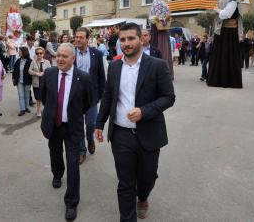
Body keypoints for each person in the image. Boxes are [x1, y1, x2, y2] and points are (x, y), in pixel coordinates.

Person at [95, 23, 175, 221]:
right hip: (121, 134)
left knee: (147, 178)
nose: (126, 43)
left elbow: (168, 97)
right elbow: (107, 96)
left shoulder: (157, 65)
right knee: (125, 182)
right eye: (122, 39)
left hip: (149, 132)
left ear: (141, 39)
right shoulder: (114, 66)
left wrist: (144, 111)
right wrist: (99, 123)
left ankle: (143, 197)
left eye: (131, 38)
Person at [40, 43, 92, 222]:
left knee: (73, 164)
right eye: (58, 56)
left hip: (73, 128)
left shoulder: (83, 78)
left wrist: (74, 114)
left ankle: (71, 202)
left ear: (73, 58)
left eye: (64, 56)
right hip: (54, 126)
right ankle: (57, 174)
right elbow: (45, 98)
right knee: (55, 154)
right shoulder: (49, 74)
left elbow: (87, 102)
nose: (60, 59)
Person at [74, 27, 105, 164]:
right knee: (78, 125)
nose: (78, 39)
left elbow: (101, 76)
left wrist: (102, 95)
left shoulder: (96, 54)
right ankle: (81, 150)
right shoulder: (71, 53)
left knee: (91, 123)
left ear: (87, 39)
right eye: (77, 37)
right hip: (75, 96)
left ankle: (90, 139)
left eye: (81, 37)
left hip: (92, 95)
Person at [207, 0, 244, 88]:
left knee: (227, 56)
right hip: (222, 31)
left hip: (229, 33)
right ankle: (218, 80)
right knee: (221, 56)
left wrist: (217, 9)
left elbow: (226, 14)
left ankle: (227, 81)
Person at [149, 0, 174, 78]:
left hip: (162, 27)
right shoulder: (158, 2)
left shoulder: (159, 1)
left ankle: (163, 72)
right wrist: (166, 19)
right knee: (161, 49)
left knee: (163, 49)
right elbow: (156, 17)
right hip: (159, 28)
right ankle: (162, 73)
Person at [28, 47, 51, 118]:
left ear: (43, 54)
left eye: (41, 53)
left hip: (45, 83)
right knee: (38, 98)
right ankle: (38, 111)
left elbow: (50, 71)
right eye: (37, 53)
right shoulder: (33, 61)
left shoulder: (47, 62)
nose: (39, 55)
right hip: (36, 83)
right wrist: (36, 73)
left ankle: (46, 110)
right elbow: (29, 71)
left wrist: (44, 73)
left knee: (45, 97)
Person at [12, 47, 32, 116]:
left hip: (27, 81)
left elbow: (32, 71)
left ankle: (26, 107)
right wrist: (13, 78)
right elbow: (14, 71)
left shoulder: (30, 61)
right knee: (21, 96)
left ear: (24, 52)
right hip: (19, 81)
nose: (19, 52)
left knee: (27, 95)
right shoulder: (18, 61)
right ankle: (22, 109)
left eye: (20, 51)